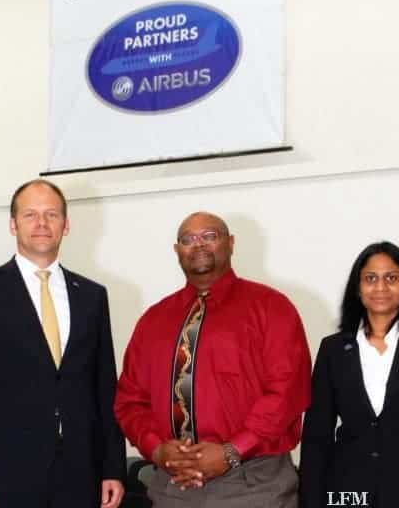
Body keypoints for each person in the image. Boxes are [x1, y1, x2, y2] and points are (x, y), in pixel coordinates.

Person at [0, 179, 126, 508]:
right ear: (13, 224)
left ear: (66, 225)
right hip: (4, 472)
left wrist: (113, 466)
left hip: (81, 472)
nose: (41, 223)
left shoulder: (92, 296)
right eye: (30, 215)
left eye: (51, 214)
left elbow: (105, 387)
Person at [114, 212, 311, 508]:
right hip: (172, 488)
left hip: (253, 486)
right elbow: (129, 401)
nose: (199, 245)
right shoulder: (153, 321)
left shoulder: (271, 308)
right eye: (188, 239)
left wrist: (231, 451)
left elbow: (287, 392)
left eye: (209, 236)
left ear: (230, 243)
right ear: (177, 250)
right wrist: (157, 451)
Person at [299, 241, 399, 508]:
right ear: (358, 287)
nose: (380, 287)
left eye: (391, 278)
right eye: (370, 278)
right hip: (347, 495)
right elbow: (316, 436)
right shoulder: (334, 348)